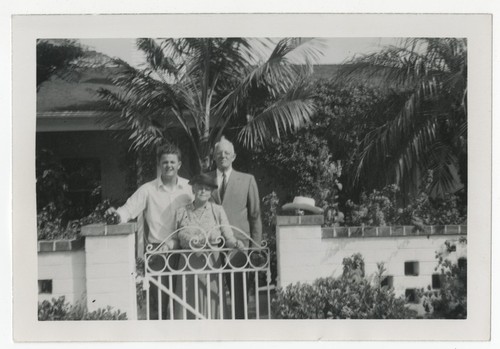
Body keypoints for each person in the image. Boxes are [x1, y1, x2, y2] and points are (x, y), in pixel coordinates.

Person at [105, 143, 193, 319]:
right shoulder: (148, 190)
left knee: (185, 305)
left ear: (179, 164)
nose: (169, 165)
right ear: (159, 164)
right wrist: (115, 215)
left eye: (172, 162)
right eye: (165, 162)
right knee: (158, 305)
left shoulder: (189, 188)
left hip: (184, 251)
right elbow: (128, 210)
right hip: (158, 252)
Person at [171, 173, 244, 319]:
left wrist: (235, 243)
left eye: (207, 189)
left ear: (211, 192)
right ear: (193, 190)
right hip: (188, 264)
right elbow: (174, 239)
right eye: (199, 188)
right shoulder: (181, 212)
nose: (203, 191)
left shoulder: (217, 210)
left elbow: (227, 235)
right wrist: (166, 246)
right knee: (188, 300)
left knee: (211, 299)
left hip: (211, 263)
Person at [208, 136, 262, 319]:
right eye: (219, 153)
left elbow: (255, 216)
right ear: (214, 157)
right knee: (210, 291)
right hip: (211, 245)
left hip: (239, 246)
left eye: (227, 153)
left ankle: (240, 331)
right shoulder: (205, 180)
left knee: (239, 293)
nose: (223, 156)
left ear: (234, 156)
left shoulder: (247, 180)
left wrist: (255, 247)